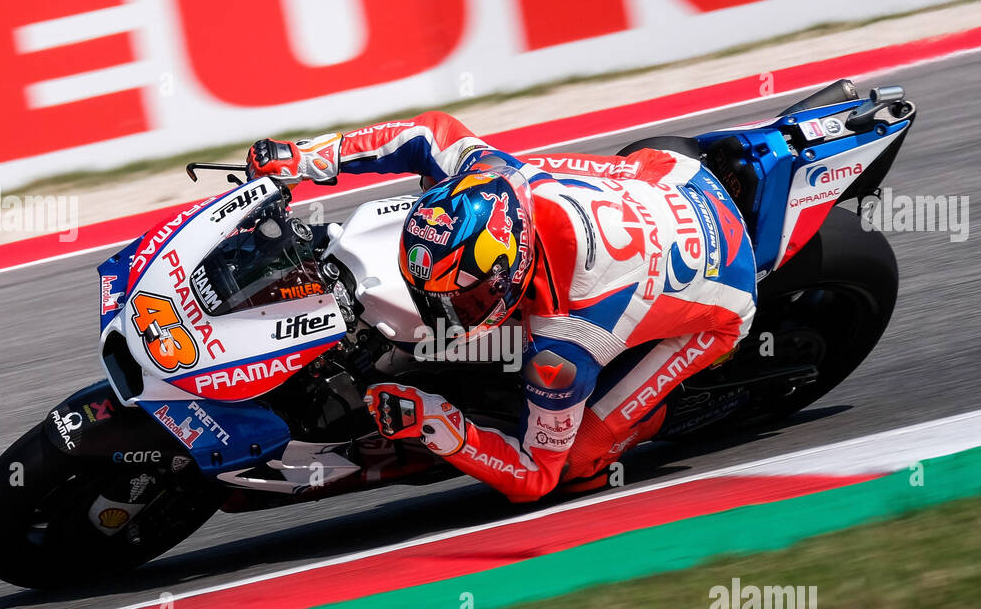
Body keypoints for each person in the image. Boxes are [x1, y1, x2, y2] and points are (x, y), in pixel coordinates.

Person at [248, 112, 756, 501]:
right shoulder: (491, 177)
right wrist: (307, 157)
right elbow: (429, 132)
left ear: (510, 274)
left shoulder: (565, 343)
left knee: (576, 464)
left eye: (464, 299)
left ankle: (651, 419)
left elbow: (534, 476)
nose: (448, 310)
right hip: (670, 177)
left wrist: (438, 423)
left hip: (724, 288)